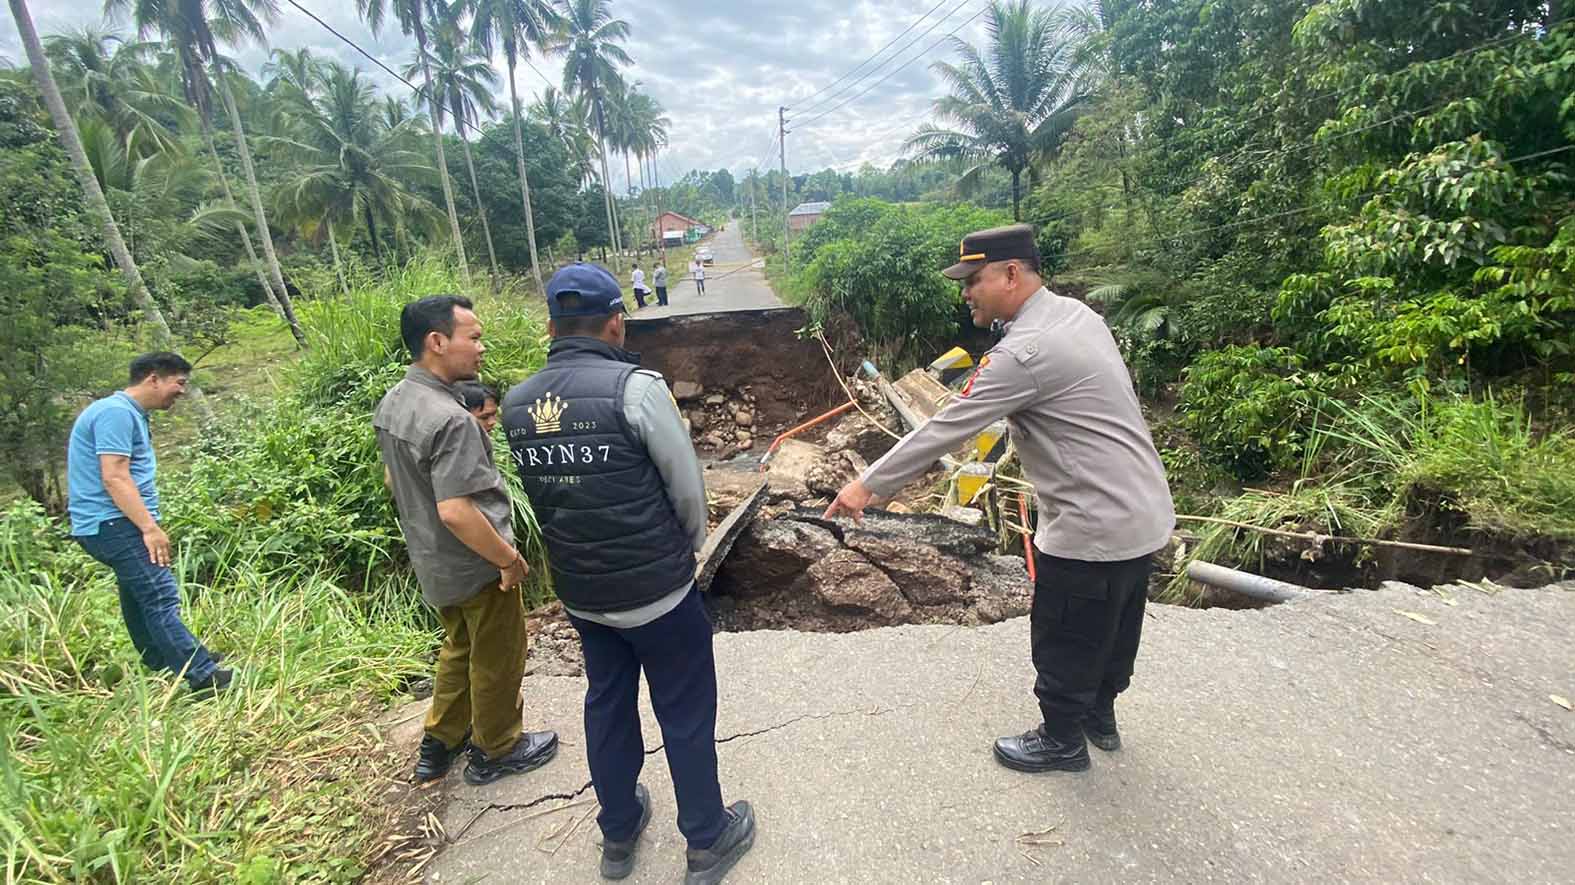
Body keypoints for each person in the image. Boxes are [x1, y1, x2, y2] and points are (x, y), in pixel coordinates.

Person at [824, 224, 1175, 774]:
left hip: (1089, 523)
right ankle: (1099, 718)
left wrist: (866, 485)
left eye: (974, 280)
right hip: (1143, 510)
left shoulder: (1023, 354)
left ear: (1011, 274)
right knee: (1114, 625)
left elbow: (946, 428)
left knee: (1065, 631)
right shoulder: (1079, 316)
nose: (966, 293)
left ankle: (1062, 741)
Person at [501, 264, 755, 884]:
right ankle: (706, 838)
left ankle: (617, 833)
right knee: (685, 710)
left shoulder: (515, 403)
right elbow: (686, 488)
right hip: (657, 592)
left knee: (607, 702)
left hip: (583, 593)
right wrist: (686, 553)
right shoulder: (637, 390)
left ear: (550, 328)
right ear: (616, 322)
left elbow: (548, 496)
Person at [374, 295, 560, 786]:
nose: (481, 348)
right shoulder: (453, 419)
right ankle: (498, 747)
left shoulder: (395, 402)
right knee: (497, 654)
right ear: (437, 341)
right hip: (476, 563)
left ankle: (440, 741)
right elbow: (456, 510)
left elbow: (395, 480)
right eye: (473, 337)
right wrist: (508, 559)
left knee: (459, 646)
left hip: (433, 560)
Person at [68, 352, 232, 697]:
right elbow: (114, 476)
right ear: (153, 379)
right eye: (179, 383)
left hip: (108, 523)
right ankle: (202, 676)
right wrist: (149, 528)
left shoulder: (127, 413)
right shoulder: (115, 413)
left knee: (138, 594)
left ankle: (165, 659)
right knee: (160, 594)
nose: (182, 391)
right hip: (113, 523)